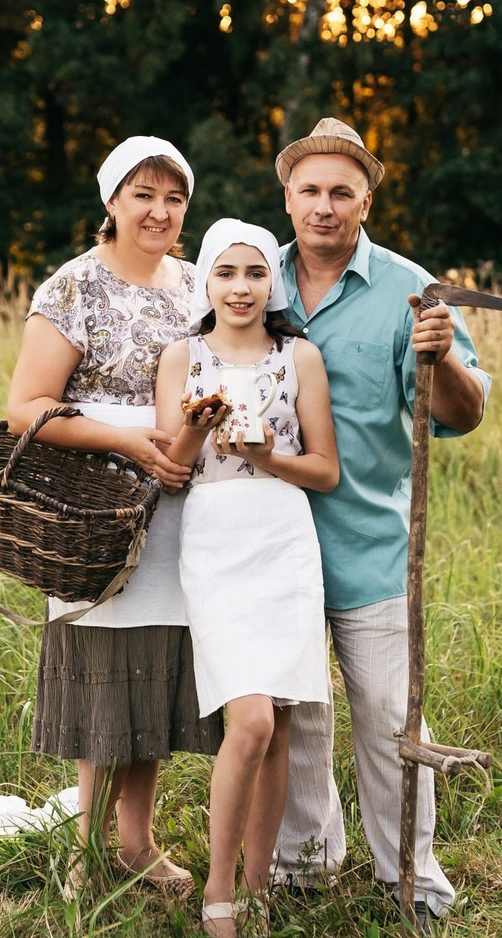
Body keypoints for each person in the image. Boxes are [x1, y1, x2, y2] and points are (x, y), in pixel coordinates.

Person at [269, 118, 492, 932]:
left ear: (367, 197)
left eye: (341, 191)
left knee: (389, 723)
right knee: (297, 716)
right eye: (309, 191)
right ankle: (303, 867)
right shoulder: (253, 279)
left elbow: (461, 416)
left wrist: (444, 359)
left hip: (369, 548)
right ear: (287, 198)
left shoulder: (411, 289)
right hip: (271, 550)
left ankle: (413, 882)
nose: (323, 206)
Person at [5, 135, 223, 899]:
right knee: (102, 670)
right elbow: (25, 409)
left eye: (174, 199)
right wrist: (129, 443)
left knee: (155, 670)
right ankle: (86, 849)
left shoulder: (199, 286)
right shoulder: (73, 287)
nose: (160, 211)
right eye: (144, 195)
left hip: (178, 503)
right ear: (111, 202)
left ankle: (136, 841)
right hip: (95, 506)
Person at [155, 219, 339, 938]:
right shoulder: (182, 357)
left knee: (283, 721)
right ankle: (219, 889)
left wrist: (269, 458)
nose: (240, 287)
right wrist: (200, 427)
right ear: (205, 281)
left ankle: (260, 886)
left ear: (274, 283)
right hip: (215, 535)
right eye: (226, 273)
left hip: (284, 535)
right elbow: (172, 470)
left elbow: (324, 470)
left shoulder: (301, 359)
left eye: (254, 273)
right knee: (251, 718)